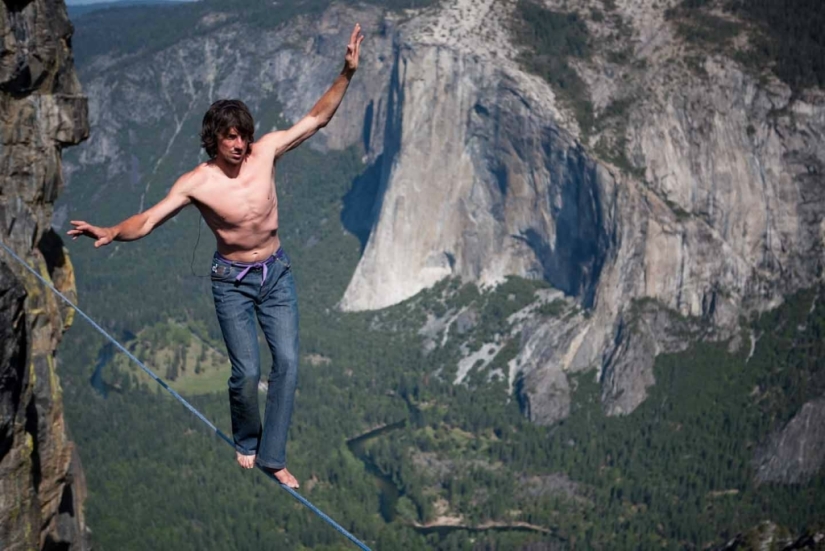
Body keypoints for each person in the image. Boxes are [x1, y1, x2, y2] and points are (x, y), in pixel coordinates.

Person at [68, 24, 365, 489]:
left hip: (277, 272)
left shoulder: (265, 152)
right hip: (232, 280)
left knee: (287, 363)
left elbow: (316, 119)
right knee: (247, 373)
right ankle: (245, 441)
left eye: (242, 135)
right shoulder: (197, 182)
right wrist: (110, 231)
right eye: (229, 137)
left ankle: (273, 456)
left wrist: (346, 73)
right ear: (214, 140)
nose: (238, 144)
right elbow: (147, 220)